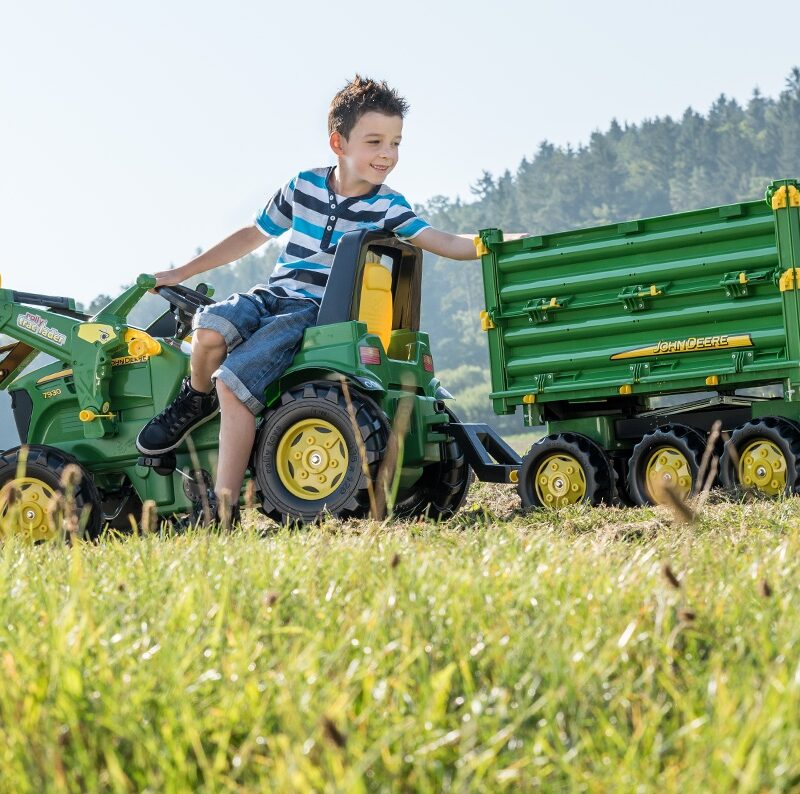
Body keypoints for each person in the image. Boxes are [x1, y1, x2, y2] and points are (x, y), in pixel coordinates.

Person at [136, 74, 509, 523]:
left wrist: (499, 244)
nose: (388, 154)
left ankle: (224, 505)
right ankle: (194, 401)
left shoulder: (388, 206)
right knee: (208, 327)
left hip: (310, 310)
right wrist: (182, 272)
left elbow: (444, 241)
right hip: (273, 293)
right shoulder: (303, 186)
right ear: (338, 142)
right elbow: (253, 234)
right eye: (375, 142)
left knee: (233, 384)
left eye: (395, 143)